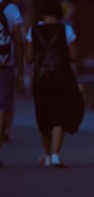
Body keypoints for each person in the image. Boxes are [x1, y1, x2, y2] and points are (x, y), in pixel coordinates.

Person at [26, 0, 83, 167]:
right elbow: (74, 56)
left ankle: (46, 154)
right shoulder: (66, 30)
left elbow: (29, 58)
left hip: (40, 80)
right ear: (59, 13)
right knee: (59, 116)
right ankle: (56, 155)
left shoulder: (33, 30)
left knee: (43, 116)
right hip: (61, 79)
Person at [0, 0, 24, 166]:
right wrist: (20, 70)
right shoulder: (11, 9)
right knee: (2, 107)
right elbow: (18, 41)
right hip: (5, 65)